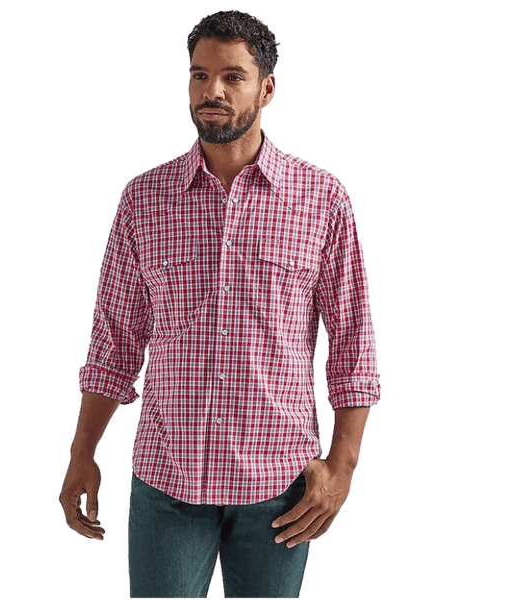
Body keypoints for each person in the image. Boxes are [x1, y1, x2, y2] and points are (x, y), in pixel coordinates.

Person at [58, 9, 382, 599]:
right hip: (167, 484)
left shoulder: (322, 199)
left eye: (233, 76)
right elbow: (114, 340)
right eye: (200, 75)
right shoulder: (143, 200)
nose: (213, 91)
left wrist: (342, 467)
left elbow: (353, 344)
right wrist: (82, 452)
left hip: (280, 490)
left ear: (267, 88)